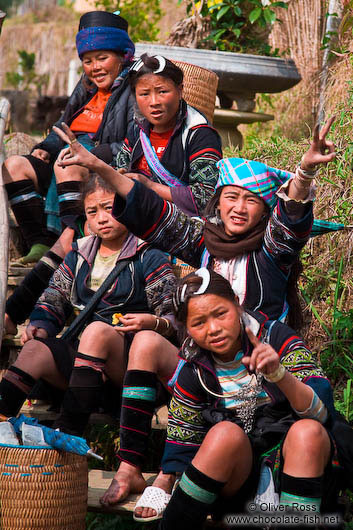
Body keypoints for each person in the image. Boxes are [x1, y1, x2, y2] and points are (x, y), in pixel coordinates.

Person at [53, 117, 336, 327]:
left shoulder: (271, 250)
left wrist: (306, 172)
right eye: (231, 197)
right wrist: (99, 166)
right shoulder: (203, 241)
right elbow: (152, 209)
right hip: (205, 359)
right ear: (218, 203)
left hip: (263, 358)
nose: (238, 208)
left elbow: (291, 219)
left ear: (264, 212)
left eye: (250, 201)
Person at [150, 269, 337, 528]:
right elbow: (182, 442)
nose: (213, 329)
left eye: (221, 314)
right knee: (225, 434)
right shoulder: (194, 369)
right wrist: (164, 478)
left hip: (298, 465)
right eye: (199, 323)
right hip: (238, 481)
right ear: (187, 329)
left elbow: (322, 413)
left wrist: (279, 374)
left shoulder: (276, 338)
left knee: (307, 432)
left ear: (237, 305)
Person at [0, 175, 179, 442]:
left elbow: (172, 316)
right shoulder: (79, 254)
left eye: (109, 208)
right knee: (35, 347)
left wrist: (150, 322)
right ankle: (1, 418)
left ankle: (68, 433)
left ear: (128, 206)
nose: (102, 218)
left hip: (127, 367)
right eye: (92, 212)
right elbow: (54, 297)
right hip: (84, 370)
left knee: (97, 330)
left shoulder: (148, 255)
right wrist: (40, 325)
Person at [3, 10, 135, 265]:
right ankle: (39, 241)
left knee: (68, 161)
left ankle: (66, 240)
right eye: (87, 60)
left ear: (121, 56)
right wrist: (45, 146)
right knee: (13, 166)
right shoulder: (86, 84)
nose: (94, 67)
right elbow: (64, 123)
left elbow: (134, 141)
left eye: (102, 58)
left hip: (98, 157)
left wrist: (92, 153)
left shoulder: (133, 87)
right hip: (68, 150)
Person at [114, 54, 222, 215]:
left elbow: (206, 198)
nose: (154, 101)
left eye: (162, 91)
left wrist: (150, 186)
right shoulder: (138, 131)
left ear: (180, 90)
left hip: (180, 222)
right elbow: (120, 169)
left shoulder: (200, 135)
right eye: (144, 94)